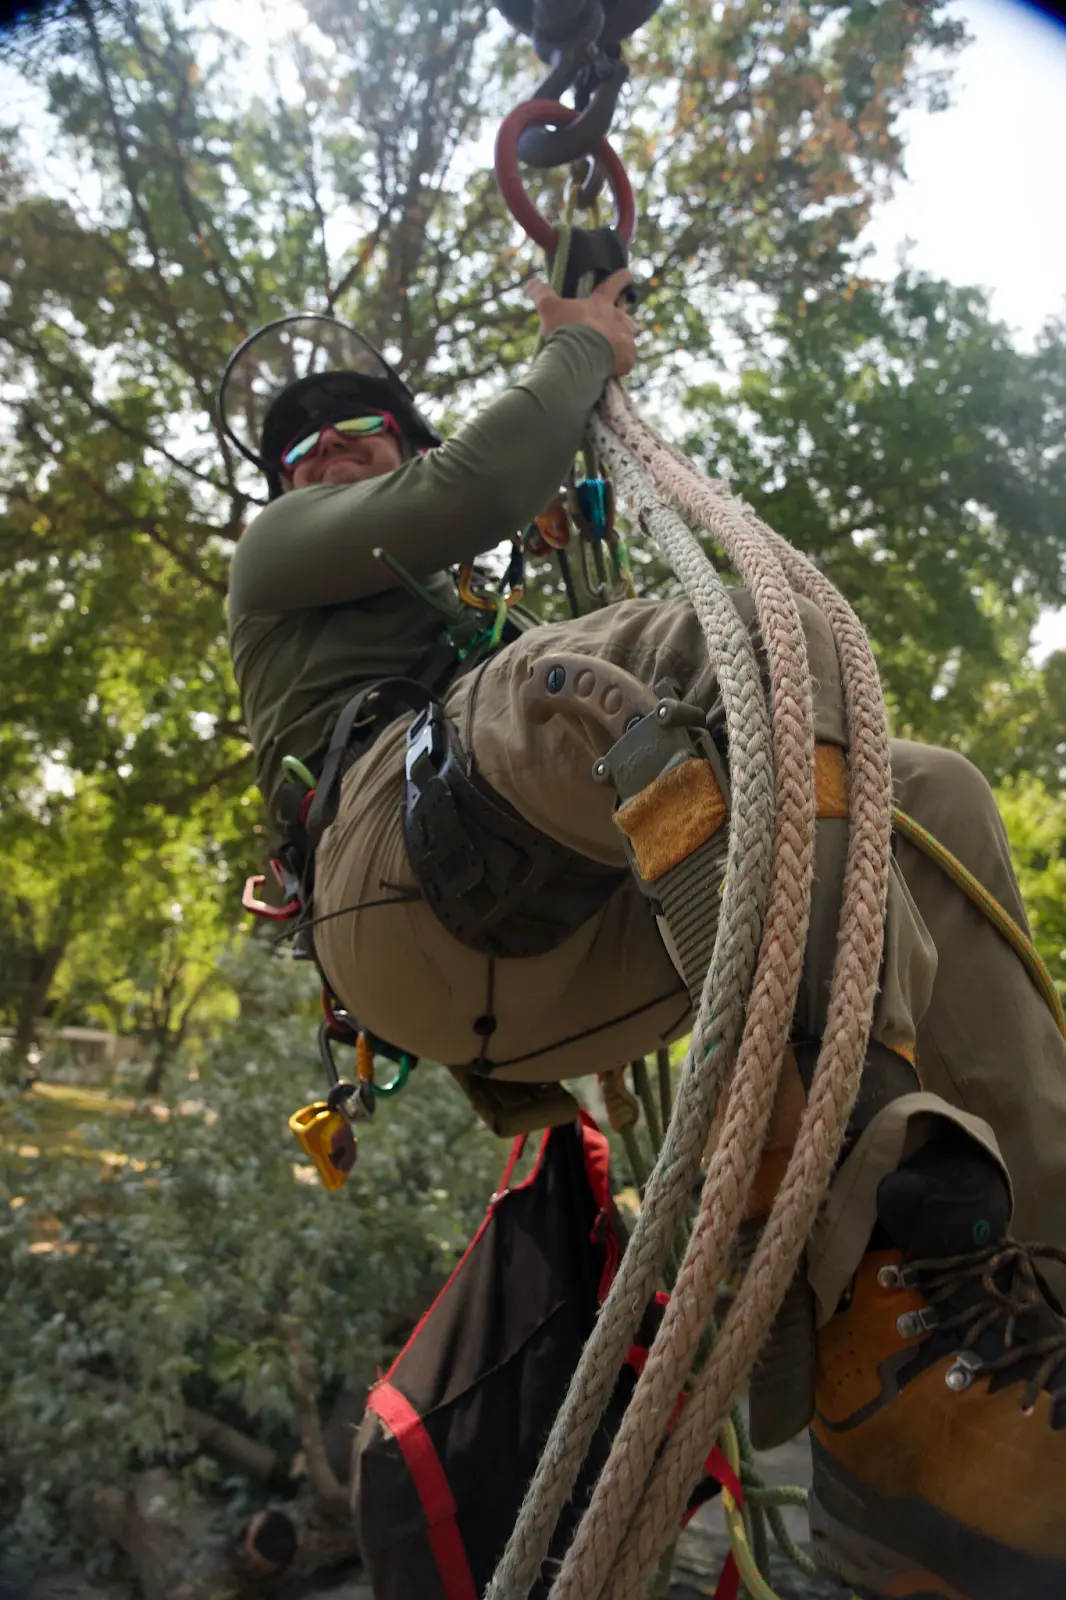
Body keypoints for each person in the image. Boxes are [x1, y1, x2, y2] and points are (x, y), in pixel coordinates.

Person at [222, 275, 1066, 1600]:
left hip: (570, 954)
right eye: (301, 450)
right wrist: (577, 350)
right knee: (734, 655)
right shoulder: (280, 552)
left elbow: (477, 518)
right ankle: (854, 1238)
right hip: (402, 885)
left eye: (360, 433)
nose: (324, 455)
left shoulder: (461, 632)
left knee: (931, 789)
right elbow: (466, 495)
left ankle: (1001, 1317)